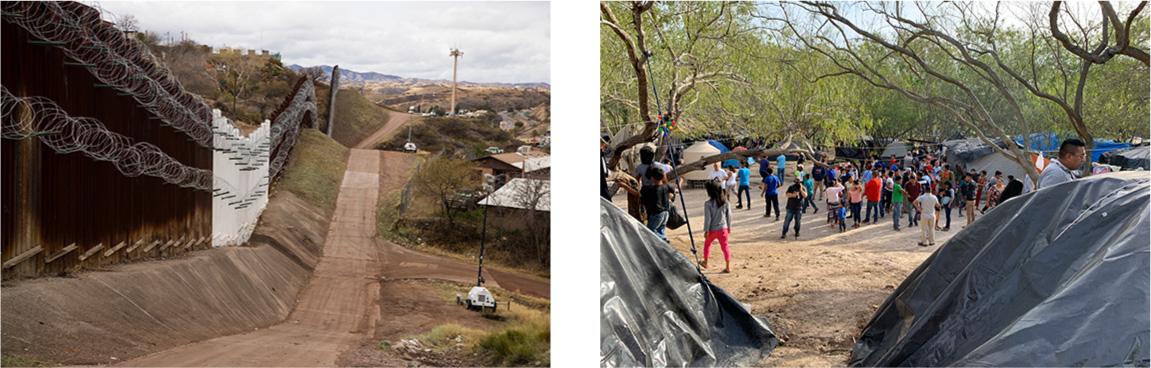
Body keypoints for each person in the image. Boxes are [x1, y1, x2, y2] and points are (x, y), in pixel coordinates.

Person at [701, 180, 734, 273]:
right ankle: (728, 267)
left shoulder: (707, 204)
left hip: (712, 230)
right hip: (723, 228)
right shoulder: (726, 202)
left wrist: (706, 230)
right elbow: (729, 215)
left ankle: (705, 262)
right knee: (725, 247)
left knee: (707, 245)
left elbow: (708, 219)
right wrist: (729, 227)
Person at [640, 166, 673, 242]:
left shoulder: (650, 189)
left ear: (652, 177)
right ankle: (662, 242)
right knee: (660, 230)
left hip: (657, 214)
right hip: (666, 213)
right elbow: (671, 190)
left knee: (650, 231)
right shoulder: (666, 186)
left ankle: (663, 239)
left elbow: (640, 194)